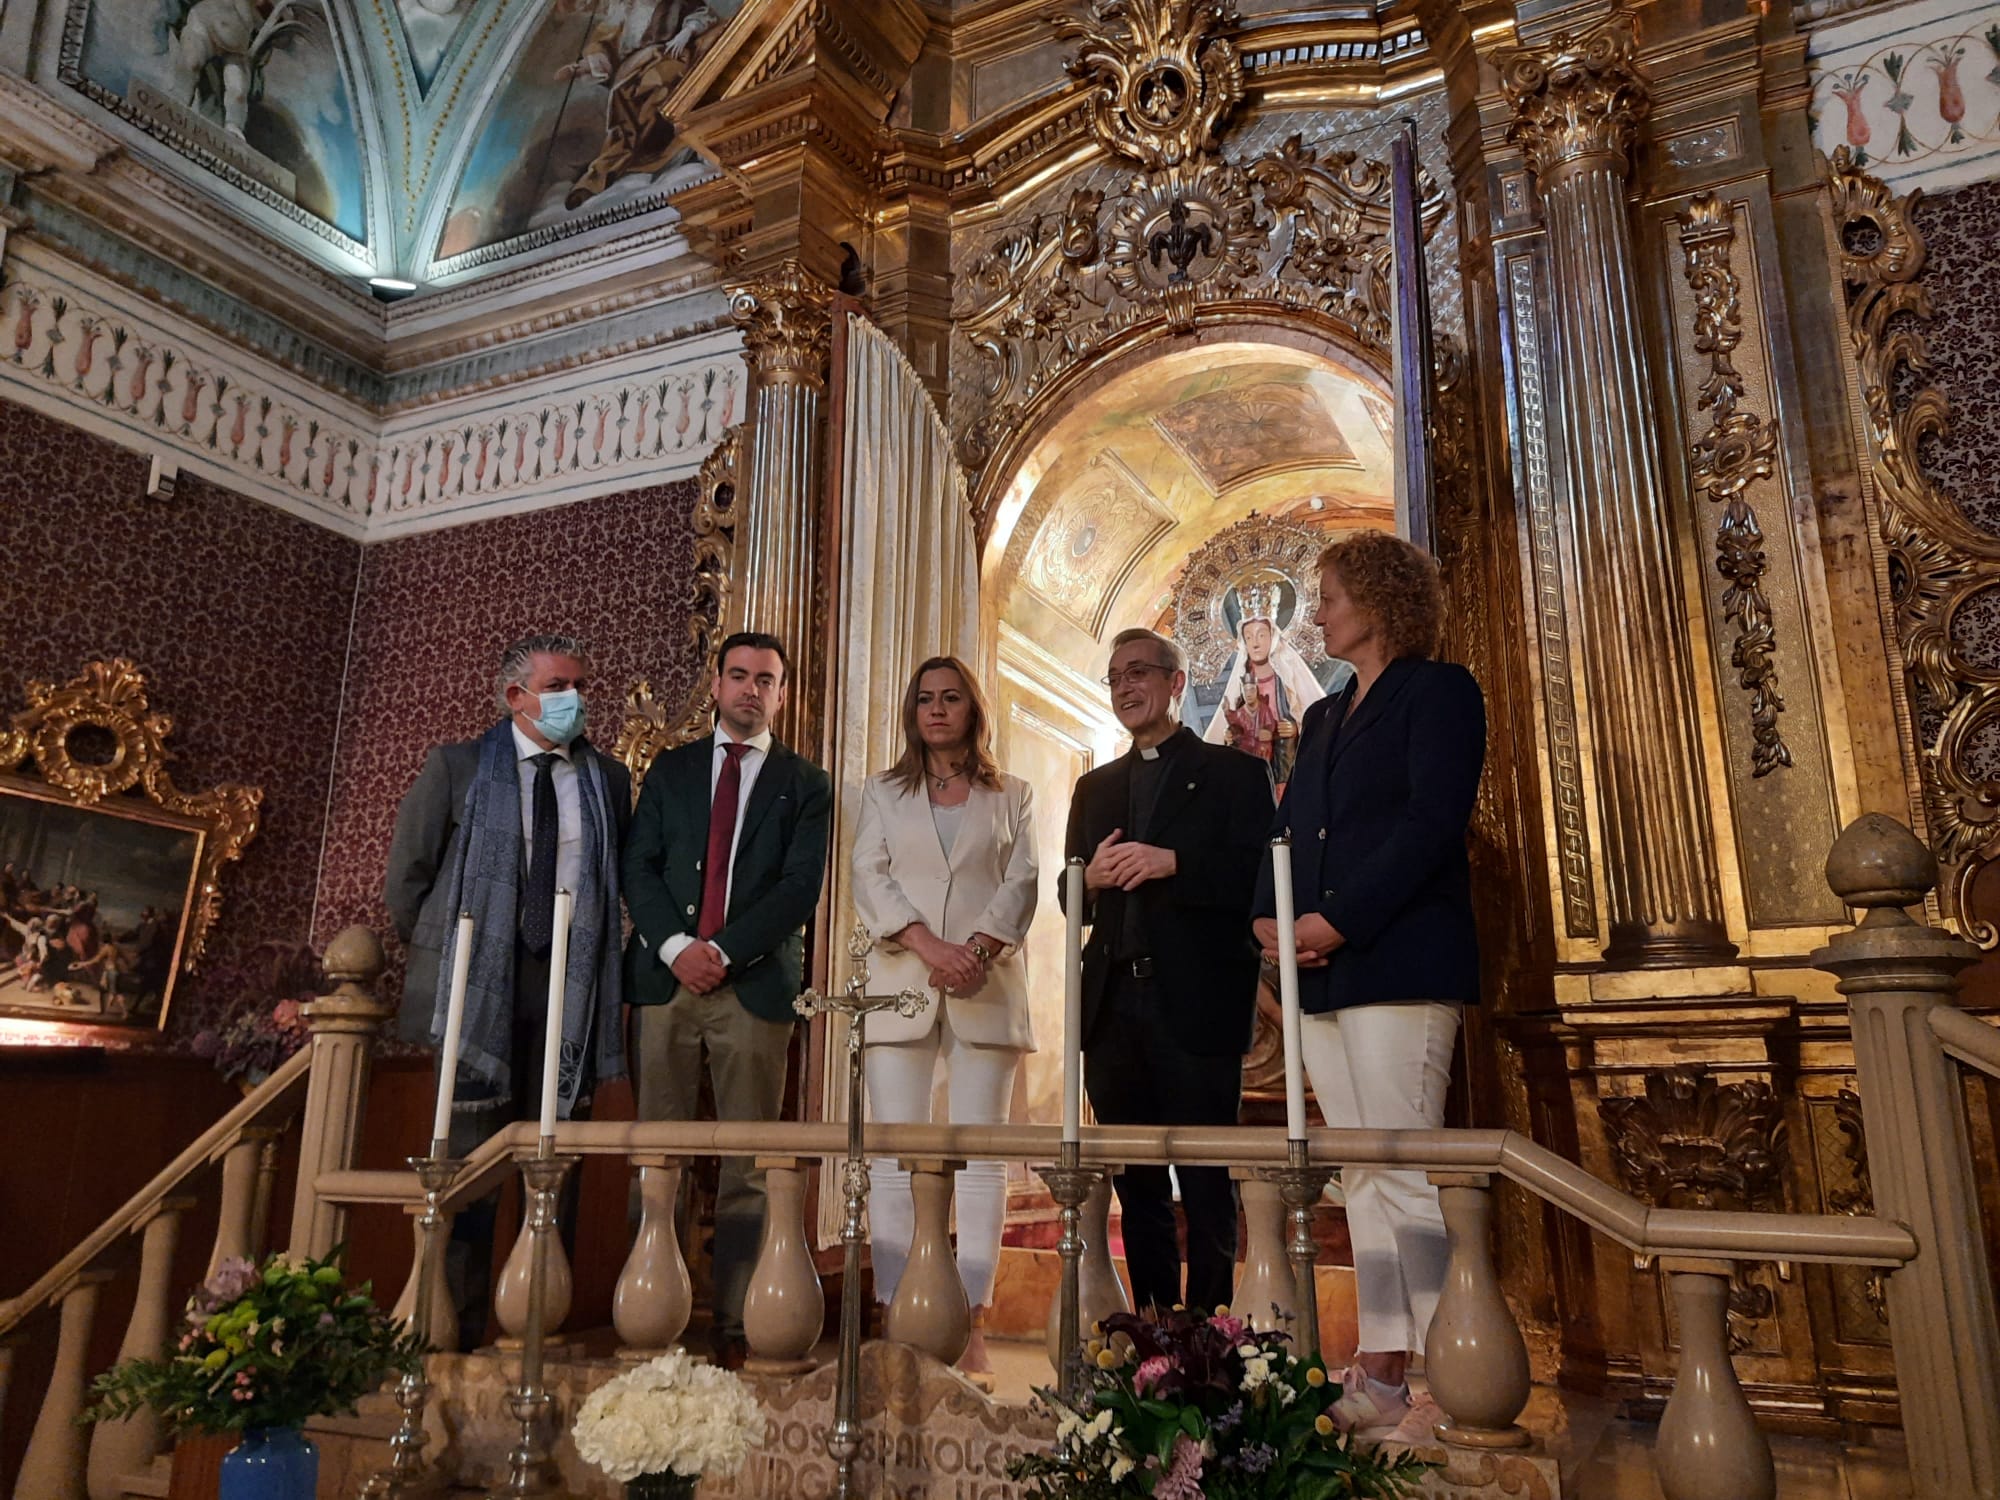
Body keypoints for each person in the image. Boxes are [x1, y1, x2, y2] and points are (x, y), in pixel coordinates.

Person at [1252, 532, 1485, 1442]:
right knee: (1361, 1170)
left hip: (1397, 960)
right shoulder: (1323, 718)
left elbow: (1433, 822)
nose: (1319, 613)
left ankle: (1455, 1371)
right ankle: (1385, 1371)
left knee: (1407, 1168)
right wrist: (1266, 918)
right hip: (1321, 970)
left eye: (1332, 596)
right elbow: (1289, 828)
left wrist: (1339, 919)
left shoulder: (1440, 692)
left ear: (1382, 601)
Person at [384, 631, 632, 1347]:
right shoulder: (458, 767)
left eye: (579, 686)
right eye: (557, 688)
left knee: (553, 1166)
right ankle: (448, 1336)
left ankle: (535, 1332)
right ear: (514, 696)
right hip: (478, 992)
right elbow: (409, 879)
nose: (574, 701)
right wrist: (453, 955)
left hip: (569, 987)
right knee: (465, 1166)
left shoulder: (606, 780)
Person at [624, 631, 832, 1369]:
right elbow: (638, 867)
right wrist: (679, 950)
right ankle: (652, 1318)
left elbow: (798, 889)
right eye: (738, 675)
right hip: (663, 984)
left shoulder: (807, 784)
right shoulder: (671, 771)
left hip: (753, 989)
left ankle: (742, 1324)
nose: (750, 689)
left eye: (765, 680)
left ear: (780, 694)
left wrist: (725, 950)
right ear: (716, 685)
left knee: (748, 1163)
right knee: (659, 1156)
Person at [1063, 627, 1274, 1315]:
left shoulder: (1234, 773)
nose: (1126, 686)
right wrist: (1087, 880)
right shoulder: (1095, 787)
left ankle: (1212, 1340)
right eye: (1115, 676)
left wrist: (1172, 862)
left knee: (1207, 1181)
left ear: (1176, 682)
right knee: (1138, 1186)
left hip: (1194, 1003)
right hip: (1111, 1009)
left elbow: (1259, 877)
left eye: (1140, 672)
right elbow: (1070, 901)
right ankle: (1153, 1338)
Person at [851, 656, 1038, 1384]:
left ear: (972, 708)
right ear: (912, 711)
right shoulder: (881, 791)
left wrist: (976, 950)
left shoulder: (1012, 794)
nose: (937, 709)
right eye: (925, 698)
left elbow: (1023, 878)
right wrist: (929, 945)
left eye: (951, 697)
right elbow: (870, 874)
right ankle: (903, 1310)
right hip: (903, 979)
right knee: (895, 1156)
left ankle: (973, 1320)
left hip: (986, 986)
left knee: (980, 1160)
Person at [1203, 585, 1330, 794]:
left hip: (1284, 753)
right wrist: (1230, 734)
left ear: (1272, 637)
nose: (1255, 643)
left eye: (1261, 635)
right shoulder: (1241, 677)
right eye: (1249, 637)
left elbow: (1315, 717)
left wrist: (1297, 727)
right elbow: (1231, 721)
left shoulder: (1287, 674)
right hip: (1251, 750)